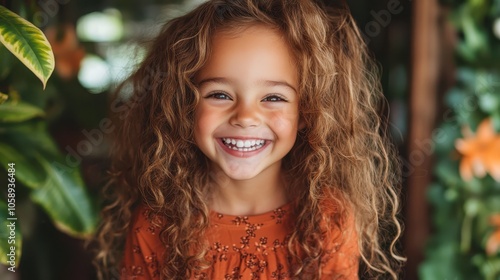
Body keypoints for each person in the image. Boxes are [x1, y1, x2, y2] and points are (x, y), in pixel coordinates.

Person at [93, 0, 405, 279]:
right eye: (219, 94)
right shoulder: (156, 225)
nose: (245, 116)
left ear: (307, 112)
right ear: (182, 107)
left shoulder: (327, 220)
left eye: (273, 97)